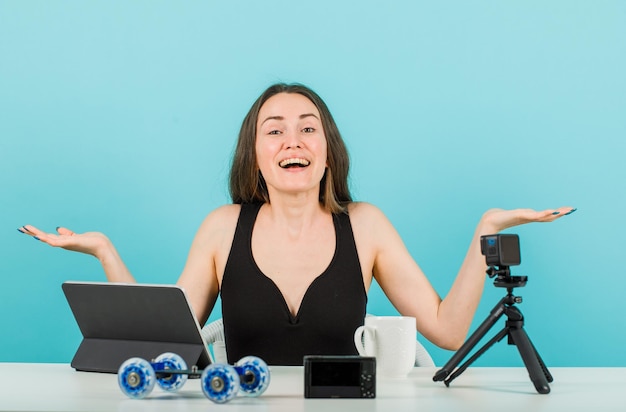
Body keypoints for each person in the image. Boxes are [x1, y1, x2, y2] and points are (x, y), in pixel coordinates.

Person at [18, 83, 575, 365]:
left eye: (309, 129)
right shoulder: (221, 228)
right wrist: (105, 253)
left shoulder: (367, 225)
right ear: (255, 154)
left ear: (327, 152)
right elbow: (165, 340)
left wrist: (487, 229)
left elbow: (448, 332)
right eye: (275, 130)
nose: (293, 141)